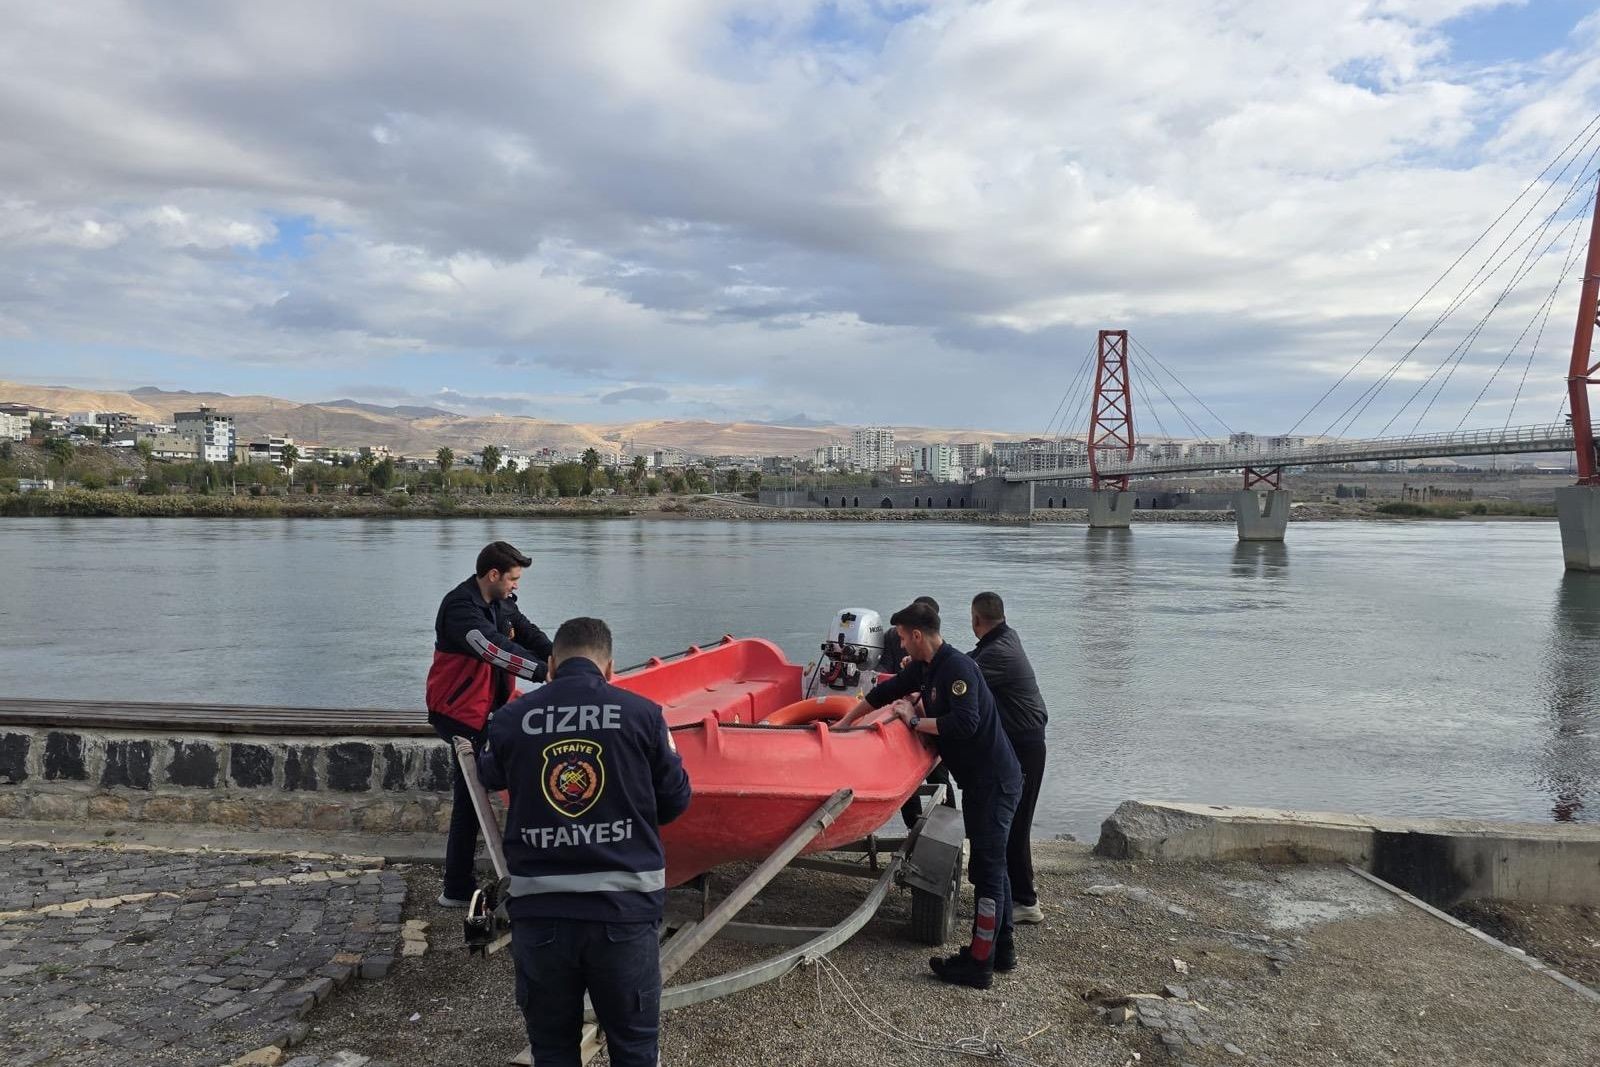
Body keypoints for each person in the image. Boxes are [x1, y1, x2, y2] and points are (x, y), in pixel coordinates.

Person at [479, 617, 691, 1067]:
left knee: (553, 1049)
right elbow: (675, 800)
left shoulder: (511, 719)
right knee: (634, 1047)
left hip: (542, 915)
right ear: (610, 668)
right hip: (624, 915)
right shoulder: (644, 716)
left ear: (551, 666)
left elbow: (489, 775)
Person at [838, 601, 1022, 988]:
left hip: (994, 783)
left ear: (918, 635)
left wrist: (915, 719)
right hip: (981, 782)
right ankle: (1001, 951)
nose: (901, 645)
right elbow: (886, 691)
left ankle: (978, 963)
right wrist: (843, 725)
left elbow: (966, 723)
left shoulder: (958, 669)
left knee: (987, 872)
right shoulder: (927, 668)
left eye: (903, 638)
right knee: (995, 867)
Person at [426, 540, 553, 908]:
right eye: (513, 578)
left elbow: (527, 633)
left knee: (480, 792)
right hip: (459, 714)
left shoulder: (500, 603)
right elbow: (492, 648)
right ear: (493, 575)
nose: (517, 585)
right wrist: (544, 672)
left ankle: (482, 876)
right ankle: (456, 887)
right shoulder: (460, 608)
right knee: (470, 797)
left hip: (489, 711)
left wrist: (565, 659)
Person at [969, 592, 1049, 925]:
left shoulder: (999, 652)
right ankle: (1012, 894)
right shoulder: (1003, 639)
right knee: (1010, 820)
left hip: (1025, 747)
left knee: (1015, 823)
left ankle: (1025, 901)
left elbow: (963, 675)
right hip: (1020, 744)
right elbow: (969, 660)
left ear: (975, 619)